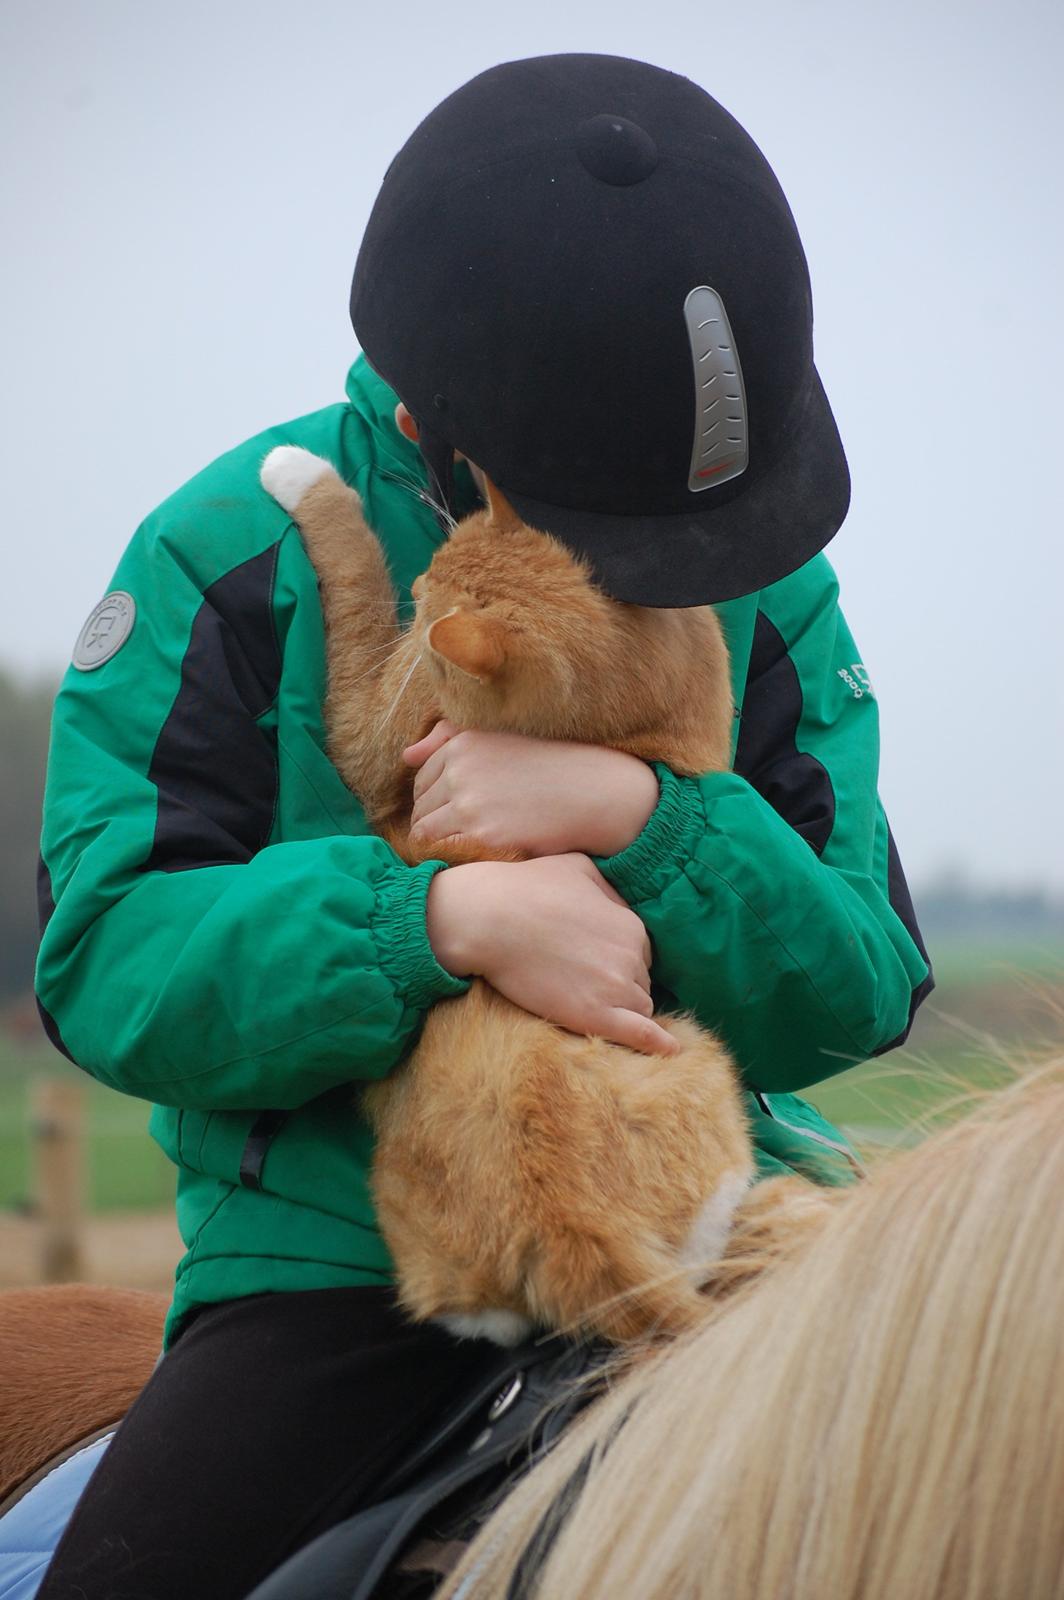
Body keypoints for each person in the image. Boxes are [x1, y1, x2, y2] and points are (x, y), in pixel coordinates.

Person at [34, 52, 932, 1600]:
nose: (682, 570)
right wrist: (433, 922)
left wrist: (650, 817)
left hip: (716, 1212)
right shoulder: (226, 553)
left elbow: (859, 976)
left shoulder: (765, 583)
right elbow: (112, 956)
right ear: (441, 430)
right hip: (348, 1276)